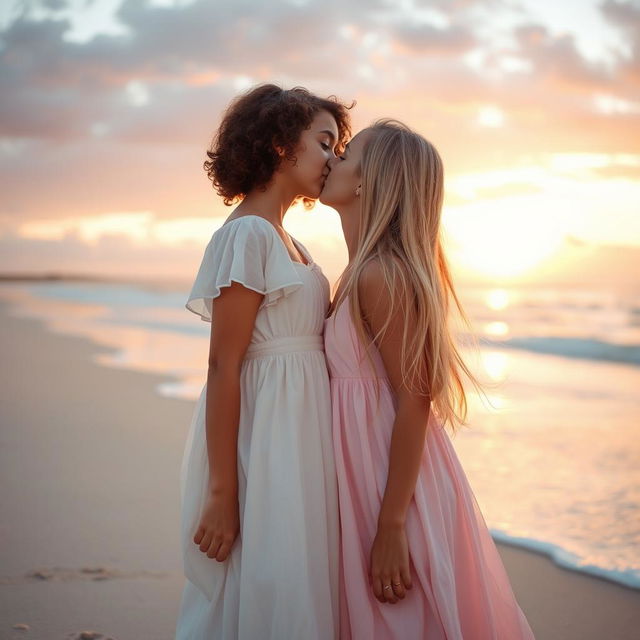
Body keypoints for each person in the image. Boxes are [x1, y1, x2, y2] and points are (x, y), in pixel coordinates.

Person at [320, 119, 536, 639]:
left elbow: (416, 402)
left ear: (370, 180)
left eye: (345, 154)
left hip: (393, 484)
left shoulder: (381, 275)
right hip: (370, 473)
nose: (331, 160)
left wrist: (392, 524)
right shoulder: (355, 272)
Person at [175, 84, 352, 639]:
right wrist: (223, 494)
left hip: (299, 430)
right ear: (280, 143)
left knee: (295, 575)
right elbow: (224, 366)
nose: (334, 158)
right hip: (266, 433)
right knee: (265, 578)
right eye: (324, 142)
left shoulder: (289, 240)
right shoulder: (249, 234)